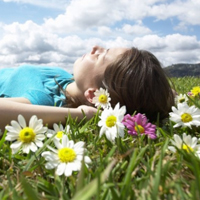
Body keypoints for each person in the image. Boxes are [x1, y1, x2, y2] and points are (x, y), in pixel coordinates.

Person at [0, 46, 174, 131]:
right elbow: (160, 95)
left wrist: (79, 115)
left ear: (92, 95)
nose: (95, 48)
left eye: (100, 57)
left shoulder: (42, 99)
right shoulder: (67, 79)